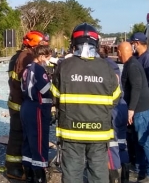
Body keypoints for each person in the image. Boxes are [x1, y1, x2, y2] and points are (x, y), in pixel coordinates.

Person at [53, 23, 121, 183]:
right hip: (99, 132)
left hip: (71, 132)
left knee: (71, 173)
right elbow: (115, 99)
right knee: (98, 173)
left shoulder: (64, 67)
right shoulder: (107, 68)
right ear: (96, 43)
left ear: (73, 43)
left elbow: (55, 96)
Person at [5, 30, 49, 180]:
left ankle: (23, 166)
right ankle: (13, 168)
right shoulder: (27, 57)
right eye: (41, 45)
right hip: (21, 102)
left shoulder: (19, 56)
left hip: (18, 101)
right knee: (18, 136)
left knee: (21, 136)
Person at [118, 42, 149, 183]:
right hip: (137, 109)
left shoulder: (133, 65)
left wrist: (131, 109)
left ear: (123, 52)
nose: (117, 55)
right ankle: (142, 171)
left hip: (142, 109)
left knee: (145, 142)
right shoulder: (130, 64)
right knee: (137, 141)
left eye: (118, 52)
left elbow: (136, 87)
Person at [20, 44, 56, 183]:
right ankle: (40, 178)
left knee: (28, 142)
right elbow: (46, 89)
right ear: (41, 56)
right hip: (38, 109)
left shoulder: (26, 69)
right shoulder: (39, 69)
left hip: (26, 107)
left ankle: (29, 175)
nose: (48, 60)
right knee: (40, 144)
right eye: (47, 57)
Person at [98, 45, 127, 183]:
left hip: (112, 109)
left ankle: (113, 177)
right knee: (121, 142)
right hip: (122, 106)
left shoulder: (103, 67)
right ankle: (124, 175)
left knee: (110, 145)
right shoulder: (113, 64)